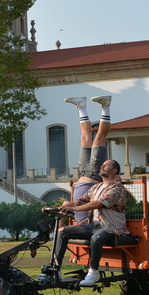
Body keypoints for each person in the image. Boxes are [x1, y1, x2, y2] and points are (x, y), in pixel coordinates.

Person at [45, 158, 138, 286]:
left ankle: (93, 272)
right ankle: (54, 270)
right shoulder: (96, 187)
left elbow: (97, 204)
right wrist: (63, 205)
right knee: (63, 232)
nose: (102, 166)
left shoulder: (117, 188)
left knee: (96, 238)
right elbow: (79, 201)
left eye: (106, 165)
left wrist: (72, 208)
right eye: (102, 164)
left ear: (114, 170)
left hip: (112, 228)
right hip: (95, 225)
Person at [63, 95, 113, 223]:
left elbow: (67, 203)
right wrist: (84, 222)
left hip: (83, 172)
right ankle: (106, 106)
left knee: (85, 138)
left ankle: (81, 106)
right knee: (99, 138)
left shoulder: (78, 218)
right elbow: (93, 206)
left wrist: (60, 224)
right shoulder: (88, 220)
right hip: (95, 174)